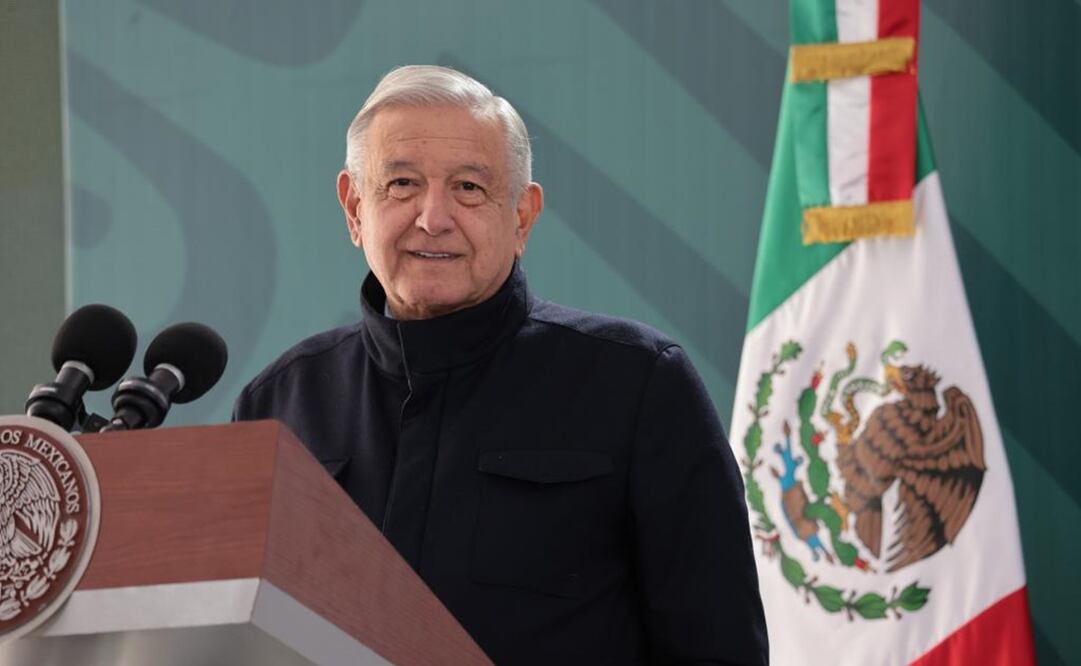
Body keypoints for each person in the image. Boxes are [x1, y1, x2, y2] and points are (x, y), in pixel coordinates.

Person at [234, 65, 768, 665]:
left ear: (522, 217)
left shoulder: (639, 385)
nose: (433, 218)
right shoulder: (279, 404)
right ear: (355, 208)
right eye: (402, 184)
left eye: (468, 188)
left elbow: (720, 651)